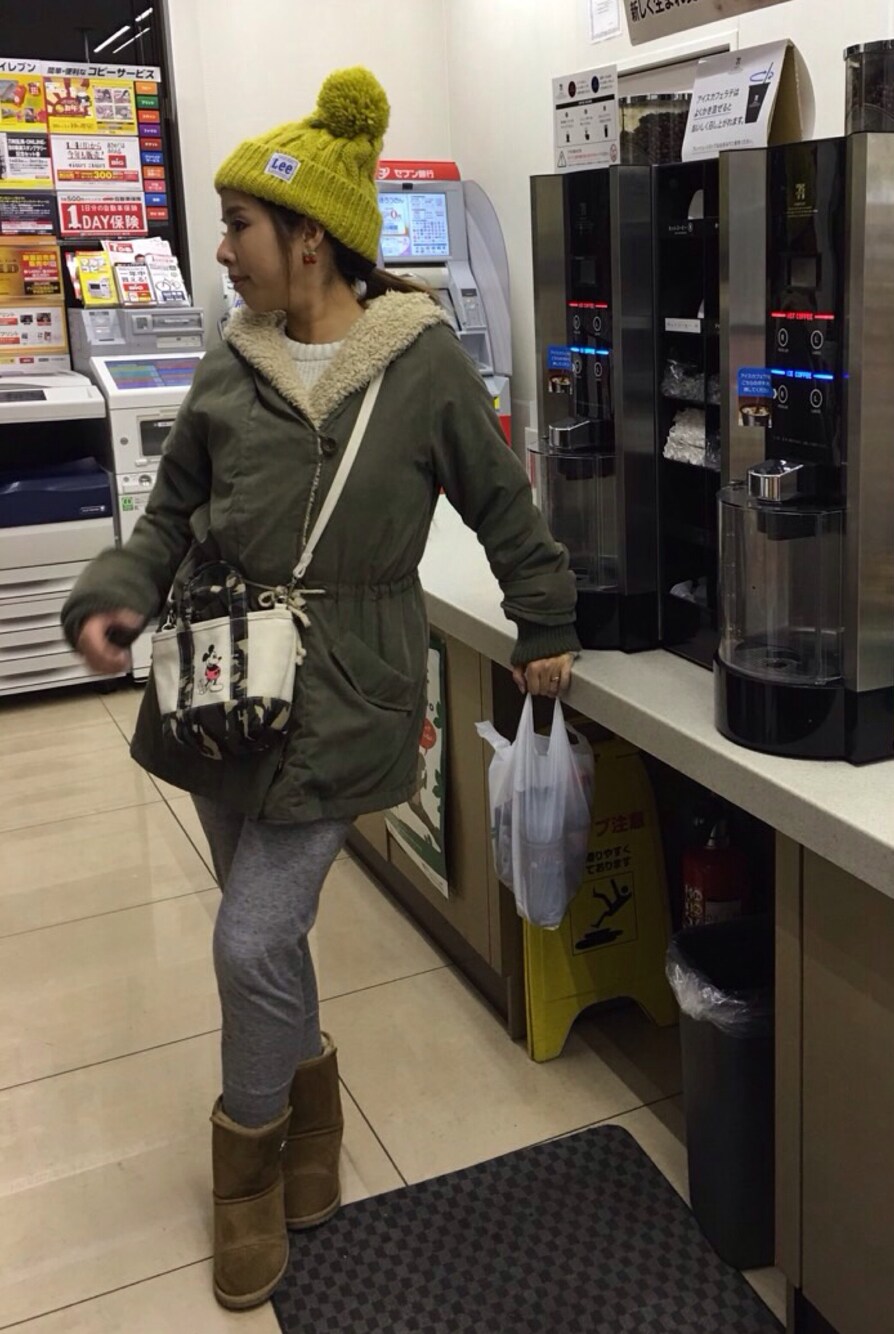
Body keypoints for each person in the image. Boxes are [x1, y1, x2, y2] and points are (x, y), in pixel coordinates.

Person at [62, 66, 579, 1312]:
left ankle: (245, 1165)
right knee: (270, 934)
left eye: (238, 225)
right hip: (217, 684)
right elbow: (171, 512)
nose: (221, 249)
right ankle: (313, 1117)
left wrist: (545, 619)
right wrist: (116, 589)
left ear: (308, 237)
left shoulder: (423, 365)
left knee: (248, 935)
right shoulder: (229, 365)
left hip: (345, 686)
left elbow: (502, 505)